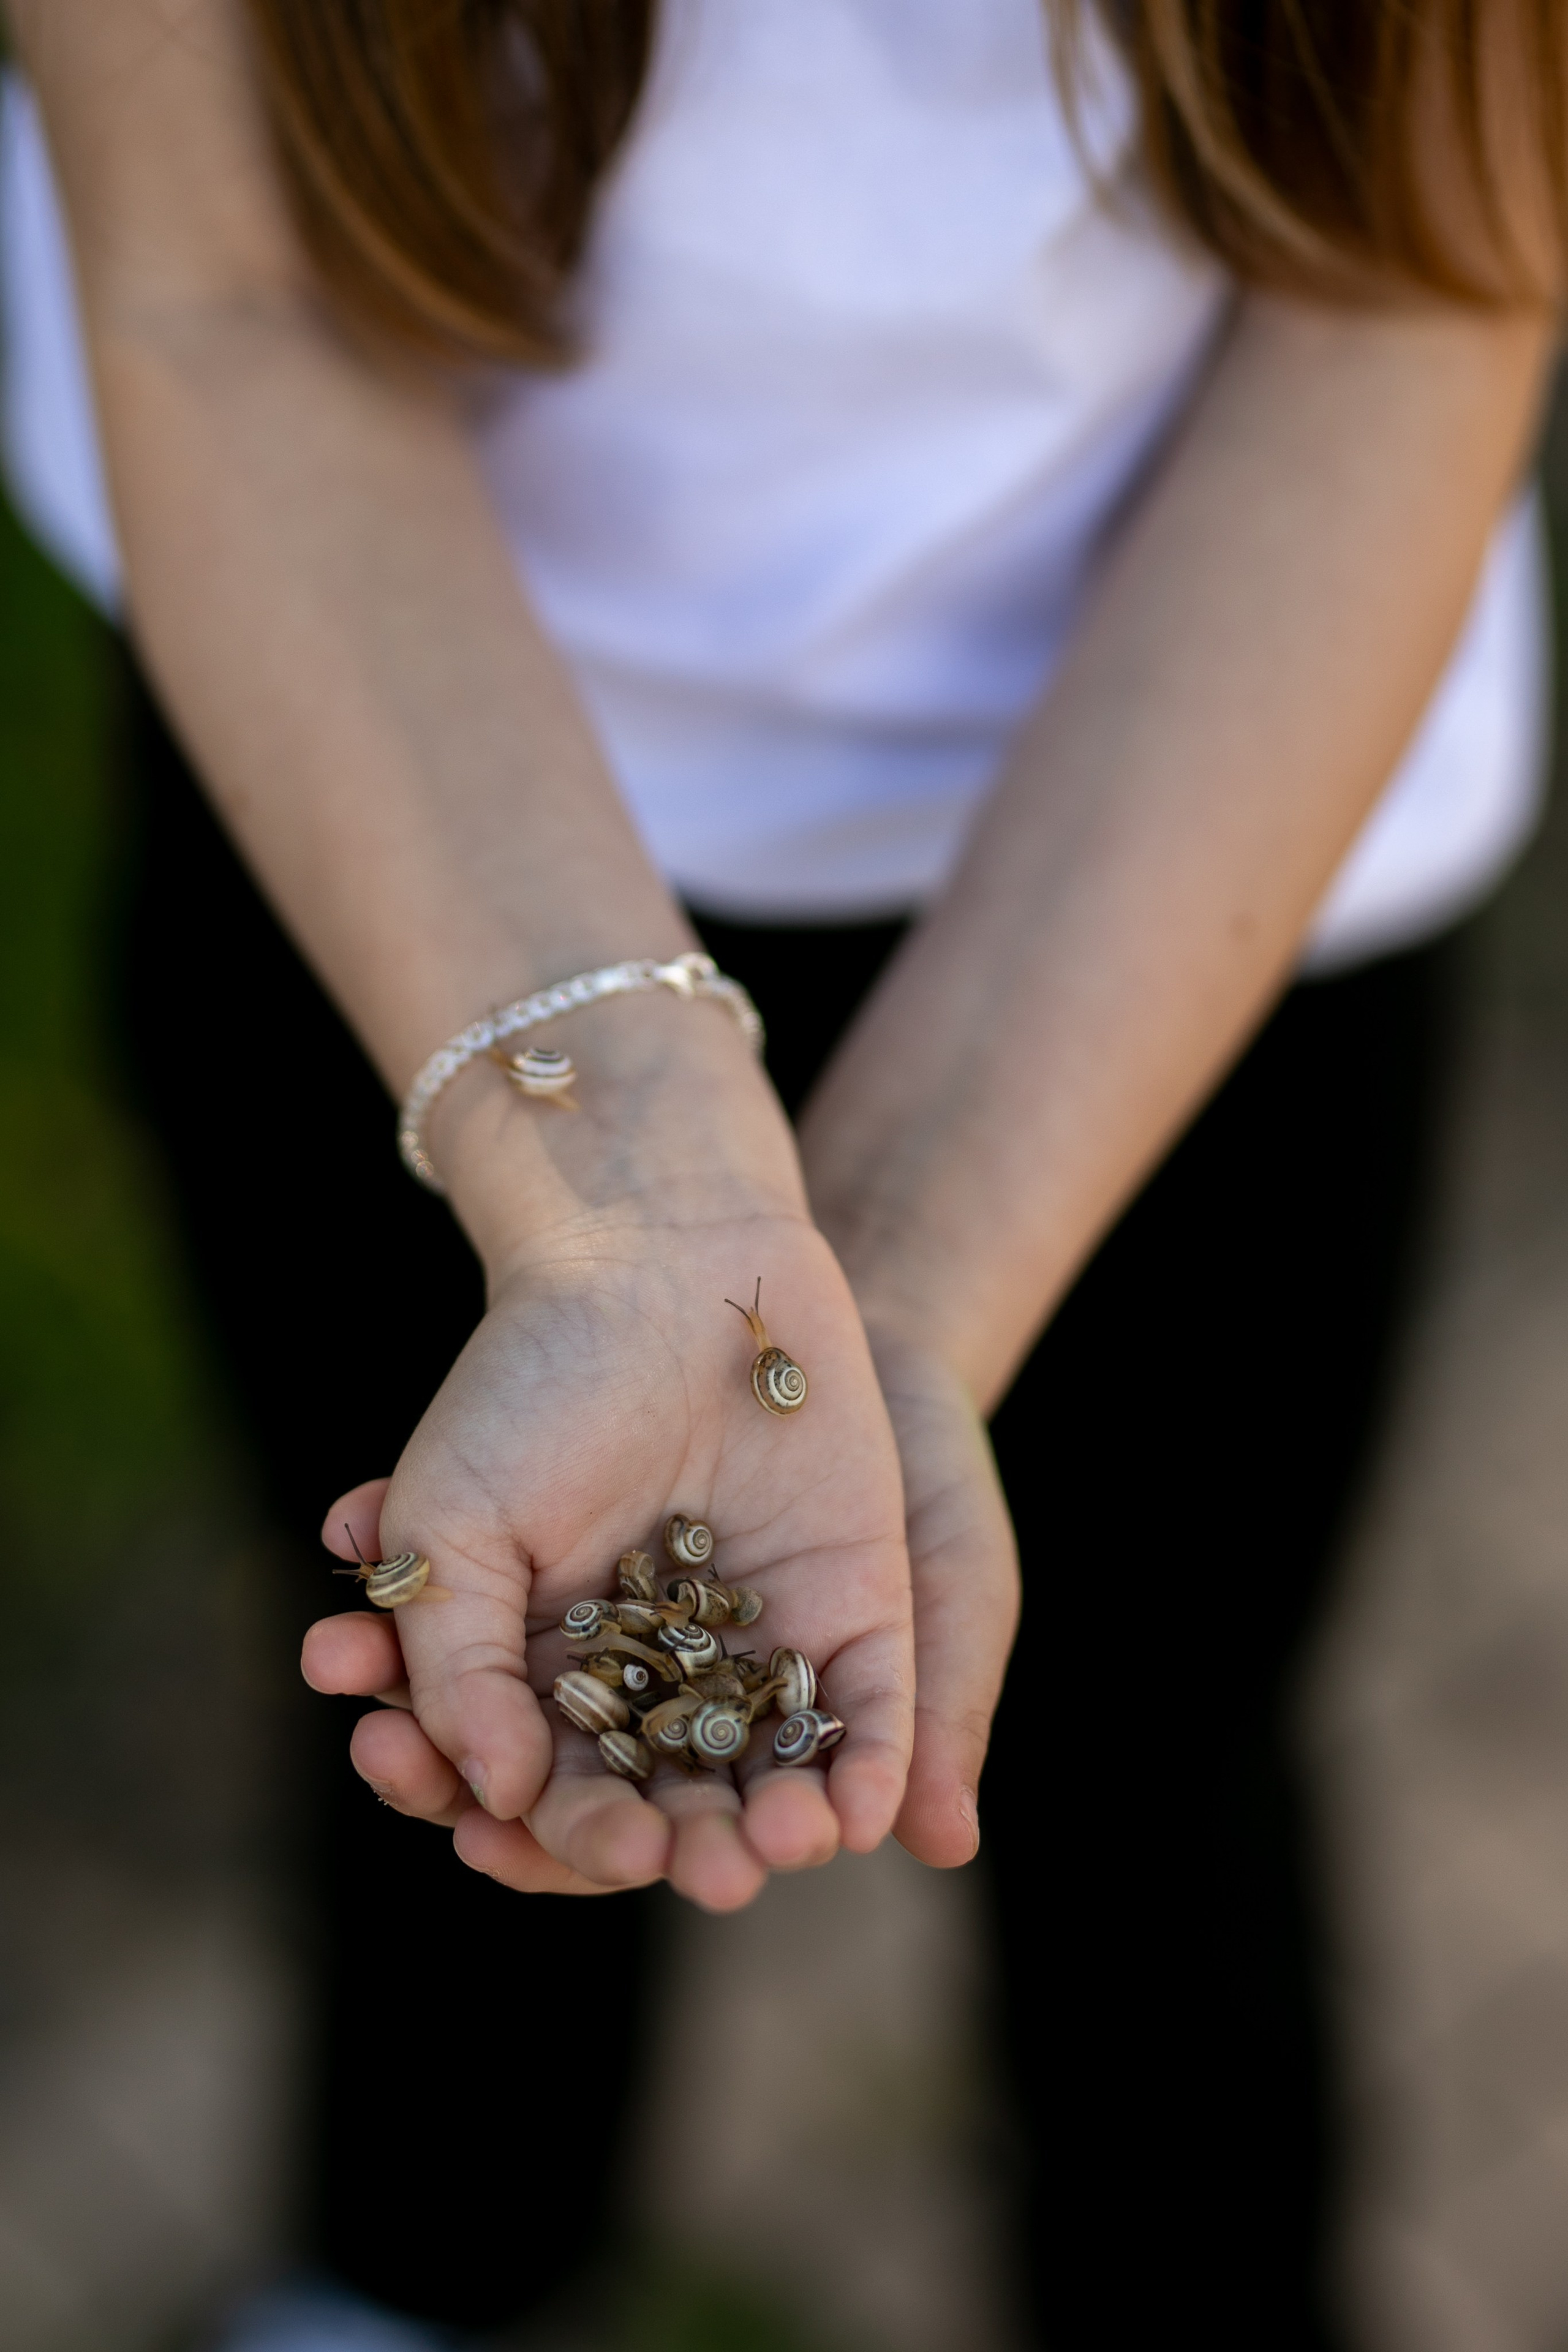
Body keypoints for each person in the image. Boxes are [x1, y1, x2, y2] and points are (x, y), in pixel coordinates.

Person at [5, 2, 1562, 2344]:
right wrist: (631, 1205)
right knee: (447, 1695)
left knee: (1158, 1748)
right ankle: (432, 2268)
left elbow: (1420, 299)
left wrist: (907, 1292)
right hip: (366, 800)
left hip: (1216, 842)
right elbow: (225, 290)